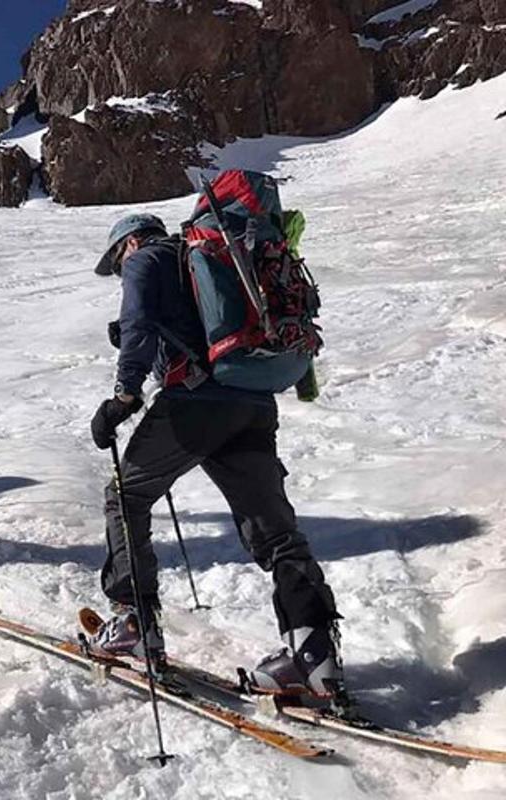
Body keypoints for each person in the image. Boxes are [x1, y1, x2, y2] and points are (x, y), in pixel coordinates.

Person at [85, 213, 344, 699]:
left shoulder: (147, 257)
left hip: (196, 403)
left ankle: (132, 621)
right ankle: (312, 653)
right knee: (275, 530)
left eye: (118, 262)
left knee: (126, 496)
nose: (122, 272)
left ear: (131, 242)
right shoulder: (210, 259)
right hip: (253, 402)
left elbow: (138, 324)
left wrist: (123, 397)